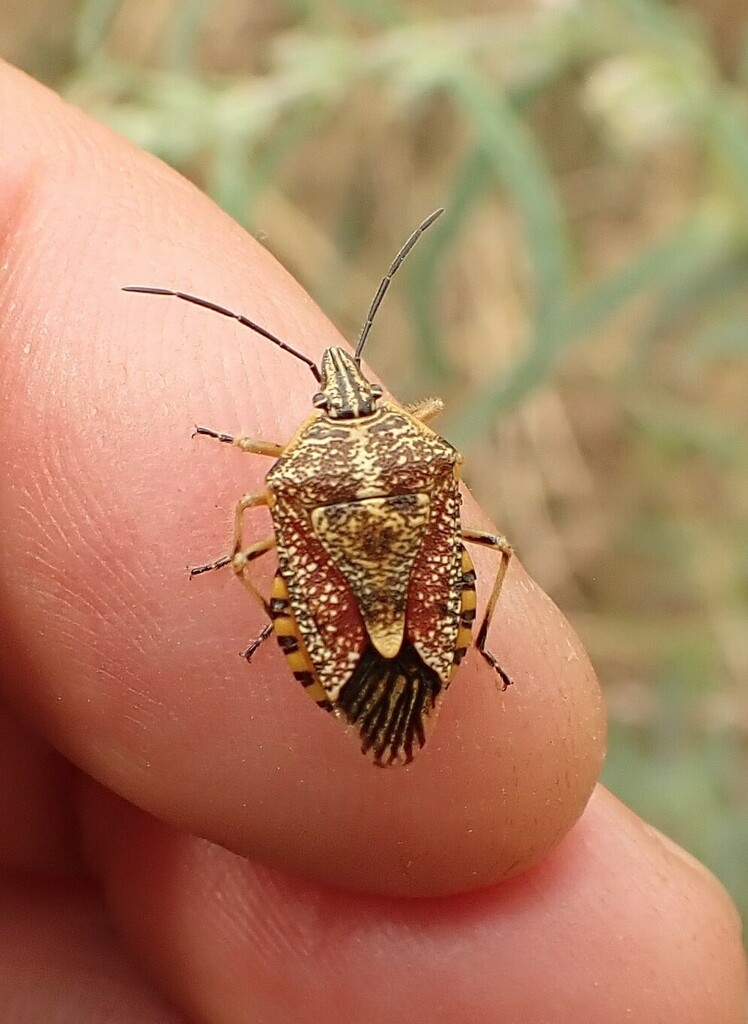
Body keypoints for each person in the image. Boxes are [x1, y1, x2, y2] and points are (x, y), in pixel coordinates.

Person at [0, 59, 744, 1023]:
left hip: (332, 599)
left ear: (325, 412)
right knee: (493, 555)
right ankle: (463, 653)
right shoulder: (418, 446)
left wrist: (241, 573)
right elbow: (461, 501)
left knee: (261, 543)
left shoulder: (292, 474)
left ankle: (354, 657)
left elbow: (252, 524)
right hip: (425, 593)